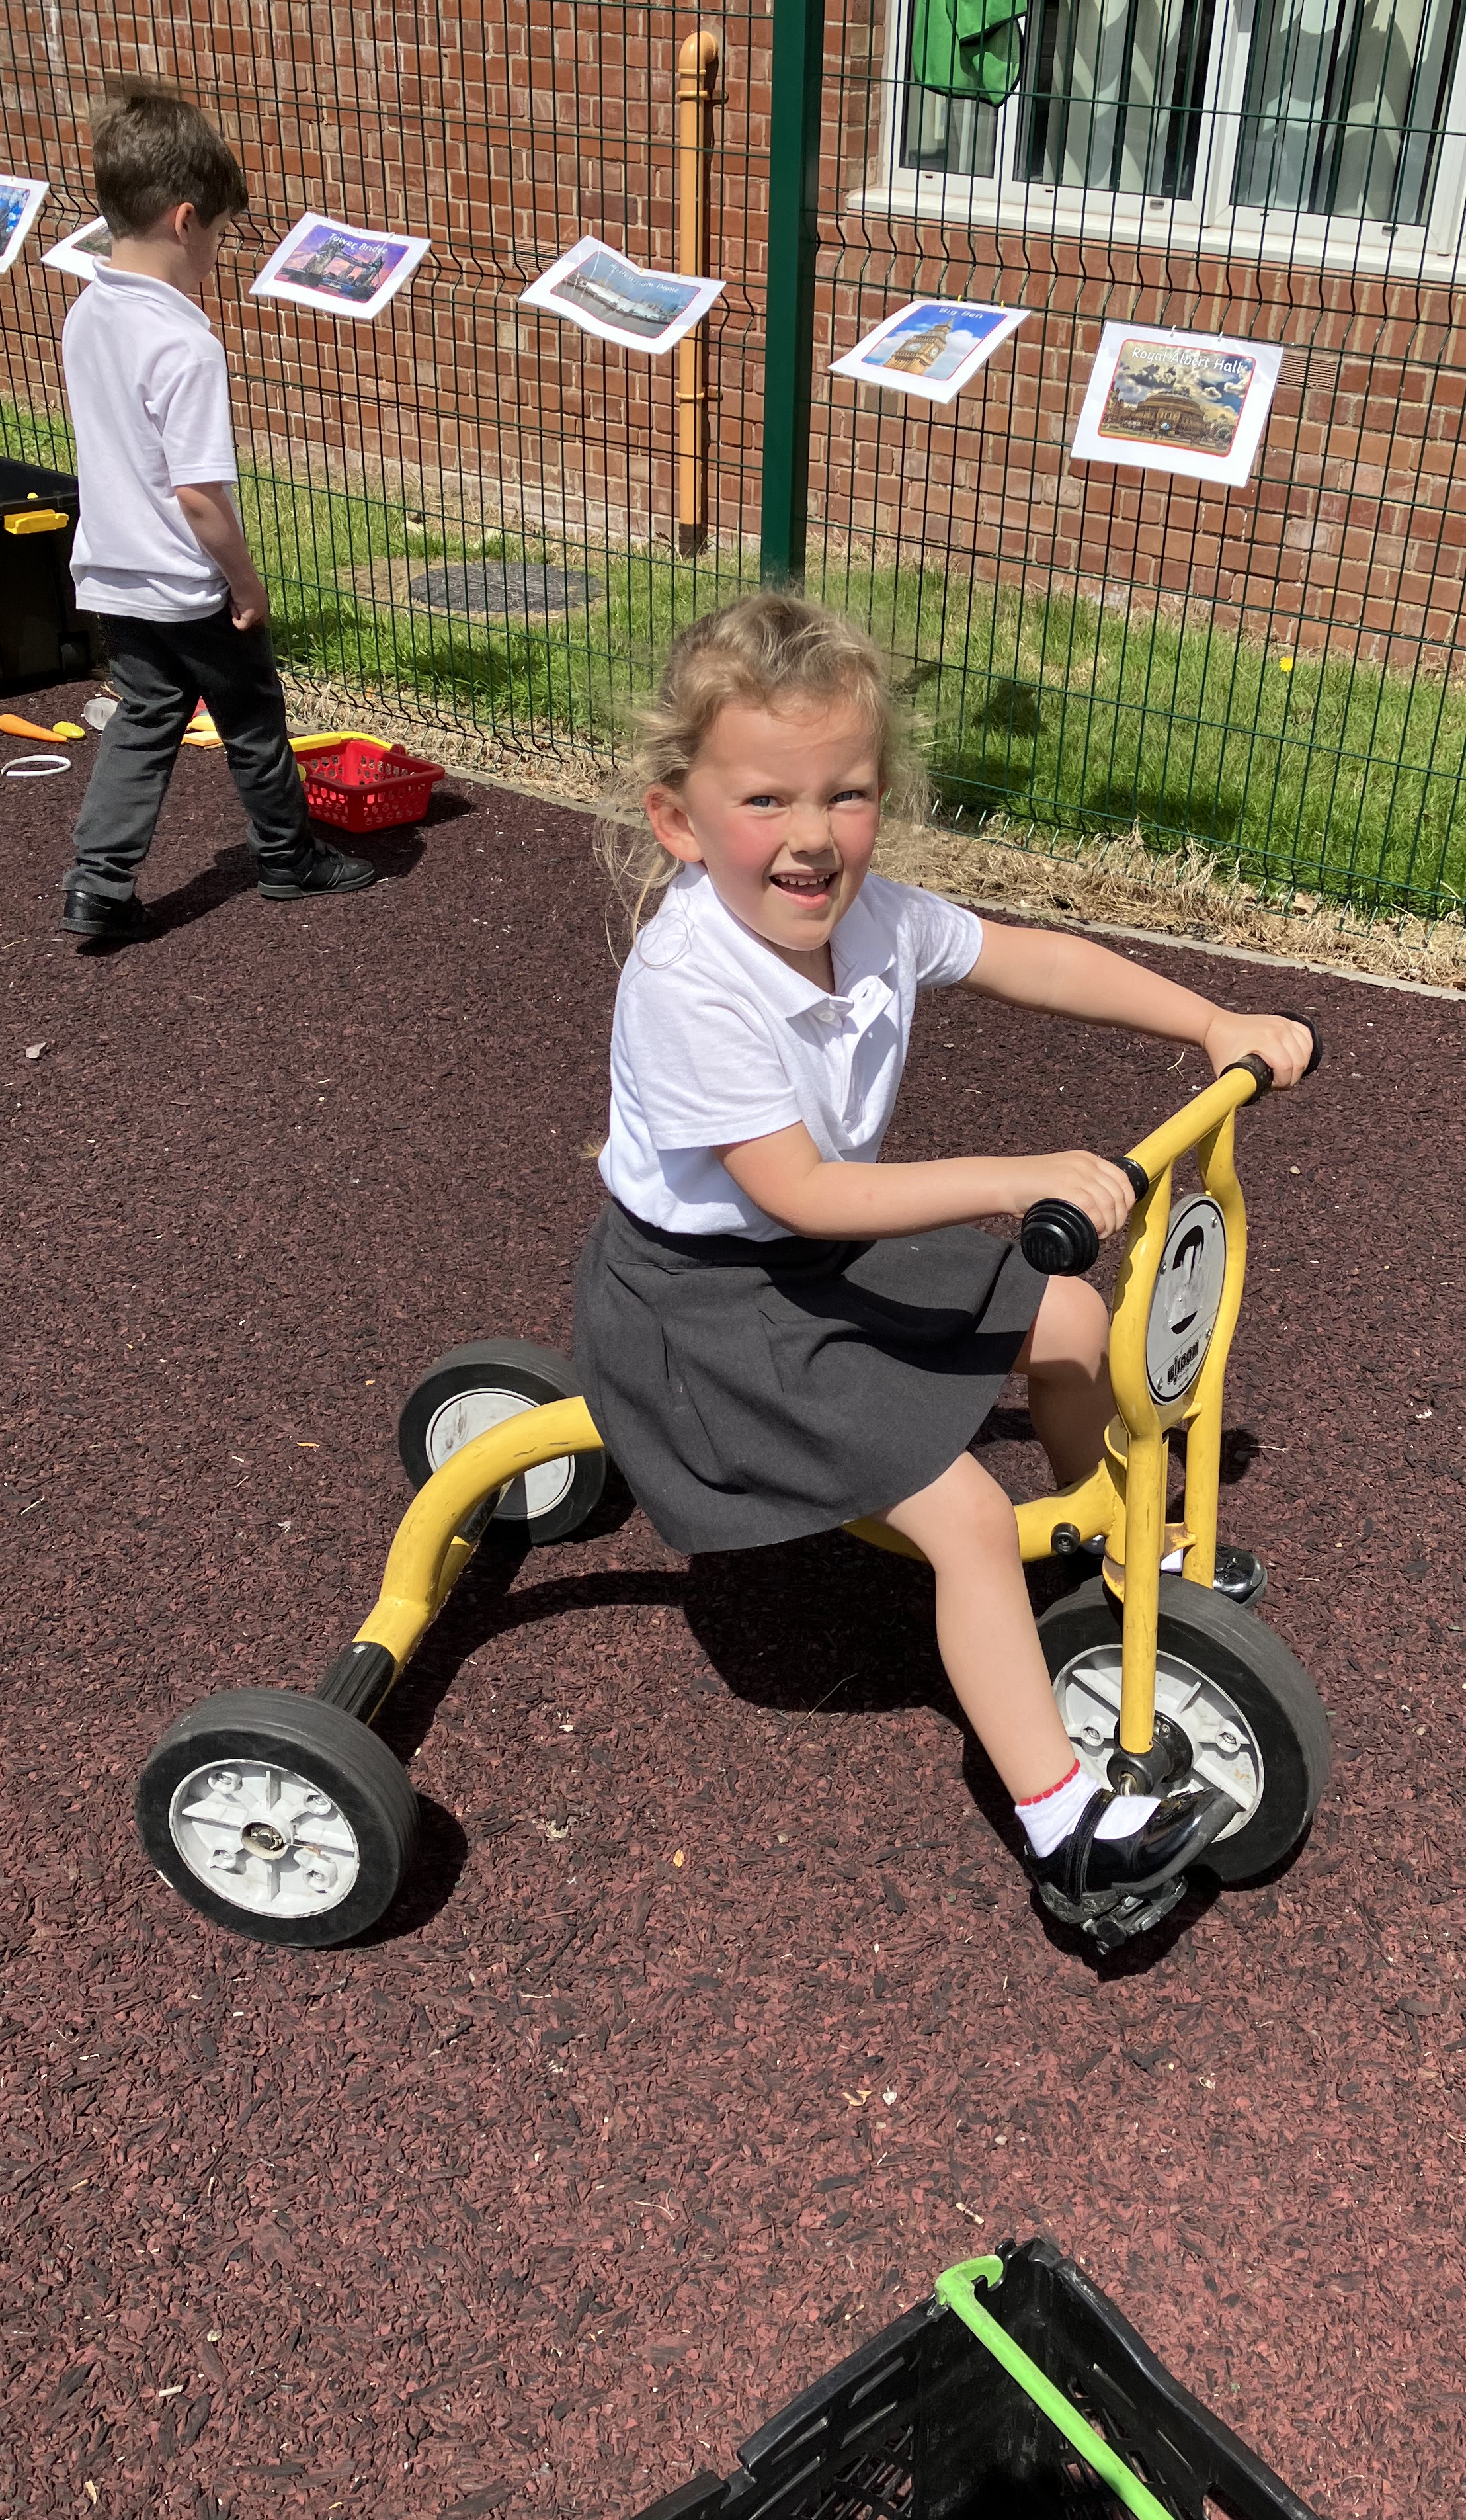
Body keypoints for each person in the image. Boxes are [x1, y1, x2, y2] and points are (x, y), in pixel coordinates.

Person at [574, 593, 1313, 1942]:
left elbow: (1030, 958)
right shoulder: (692, 982)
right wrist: (1011, 1176)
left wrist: (1212, 1021)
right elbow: (797, 1191)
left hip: (817, 1257)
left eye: (846, 794)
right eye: (765, 800)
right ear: (679, 820)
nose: (811, 836)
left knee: (1074, 1318)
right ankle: (1065, 1826)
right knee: (966, 1518)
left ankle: (1108, 1553)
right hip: (706, 1307)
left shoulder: (874, 918)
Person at [57, 85, 374, 939]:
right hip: (188, 582)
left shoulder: (88, 312)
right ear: (186, 220)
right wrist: (246, 583)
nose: (219, 252)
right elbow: (197, 494)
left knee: (144, 718)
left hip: (113, 571)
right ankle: (287, 858)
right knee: (254, 718)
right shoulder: (186, 344)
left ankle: (97, 885)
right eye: (224, 233)